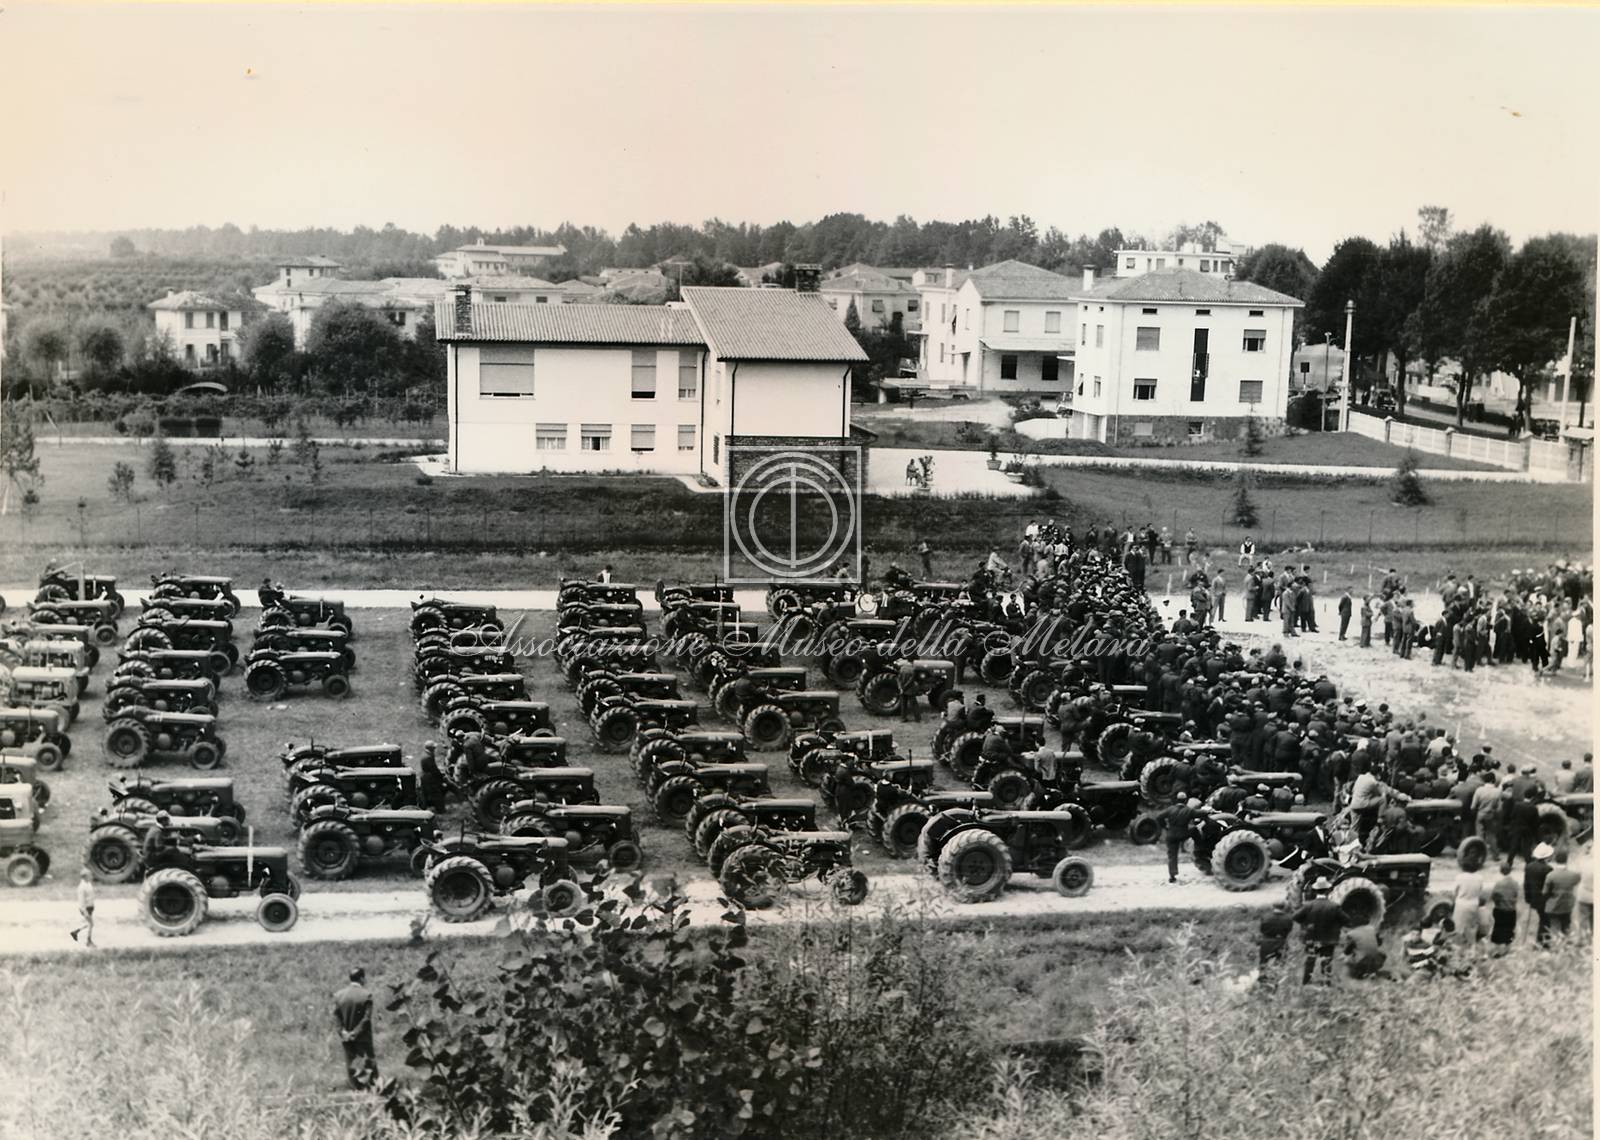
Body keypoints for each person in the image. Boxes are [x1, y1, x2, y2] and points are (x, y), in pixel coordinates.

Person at [1293, 883, 1348, 984]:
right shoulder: (1334, 906)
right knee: (1327, 960)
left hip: (1312, 938)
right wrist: (1336, 925)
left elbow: (1296, 917)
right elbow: (1346, 920)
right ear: (1328, 891)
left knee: (1310, 959)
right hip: (1329, 939)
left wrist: (1306, 923)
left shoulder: (1308, 905)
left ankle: (1306, 982)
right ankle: (1326, 983)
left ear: (1315, 891)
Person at [334, 968, 378, 1090]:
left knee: (351, 1064)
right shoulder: (366, 995)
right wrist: (355, 1032)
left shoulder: (339, 995)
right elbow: (366, 1018)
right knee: (368, 1063)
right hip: (363, 1037)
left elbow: (336, 1016)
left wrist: (342, 1032)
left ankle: (355, 1091)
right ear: (362, 978)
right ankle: (373, 1090)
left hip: (346, 1037)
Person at [1542, 849, 1581, 941]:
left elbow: (1544, 892)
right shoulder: (1573, 875)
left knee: (1555, 929)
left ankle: (1556, 945)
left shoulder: (1551, 875)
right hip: (1567, 905)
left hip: (1553, 905)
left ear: (1556, 860)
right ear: (1566, 860)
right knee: (1566, 927)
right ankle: (1565, 945)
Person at [1160, 795, 1199, 884]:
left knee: (1172, 855)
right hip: (1184, 834)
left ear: (1176, 800)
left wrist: (1165, 826)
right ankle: (1199, 846)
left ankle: (1172, 876)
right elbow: (1200, 813)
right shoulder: (1188, 810)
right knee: (1194, 829)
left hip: (1171, 835)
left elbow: (1159, 817)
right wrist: (1209, 811)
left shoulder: (1170, 809)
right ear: (1185, 801)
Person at [1524, 842, 1554, 944]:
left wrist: (1527, 898)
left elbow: (1526, 884)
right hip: (1544, 899)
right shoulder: (1548, 869)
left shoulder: (1529, 867)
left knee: (1543, 918)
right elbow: (1550, 887)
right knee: (1545, 920)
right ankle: (1543, 942)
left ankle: (1541, 940)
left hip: (1533, 898)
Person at [1488, 859, 1519, 955]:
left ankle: (1498, 950)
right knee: (1509, 929)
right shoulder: (1515, 883)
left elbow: (1494, 896)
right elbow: (1516, 895)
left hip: (1500, 909)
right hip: (1511, 909)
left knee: (1499, 928)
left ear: (1501, 871)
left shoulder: (1499, 883)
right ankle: (1507, 949)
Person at [1258, 902, 1294, 975]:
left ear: (1273, 906)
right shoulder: (1288, 918)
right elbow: (1289, 930)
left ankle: (1262, 978)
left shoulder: (1265, 917)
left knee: (1264, 963)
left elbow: (1262, 929)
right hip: (1281, 942)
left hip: (1267, 941)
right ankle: (1277, 979)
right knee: (1281, 963)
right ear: (1284, 907)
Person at [70, 868, 95, 948]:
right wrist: (84, 911)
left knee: (89, 923)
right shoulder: (82, 887)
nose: (91, 876)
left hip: (90, 907)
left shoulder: (88, 884)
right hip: (86, 908)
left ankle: (76, 932)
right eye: (90, 875)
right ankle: (88, 941)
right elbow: (81, 901)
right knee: (90, 924)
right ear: (85, 877)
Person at [418, 741, 447, 813]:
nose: (435, 749)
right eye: (433, 748)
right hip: (429, 778)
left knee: (424, 794)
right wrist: (441, 777)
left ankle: (423, 808)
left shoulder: (426, 755)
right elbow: (434, 770)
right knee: (436, 794)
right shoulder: (428, 757)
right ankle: (441, 810)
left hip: (425, 776)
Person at [894, 657, 923, 723]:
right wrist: (904, 687)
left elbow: (898, 679)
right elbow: (911, 680)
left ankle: (903, 718)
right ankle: (917, 719)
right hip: (910, 689)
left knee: (903, 705)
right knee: (914, 704)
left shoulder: (902, 668)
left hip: (902, 690)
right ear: (912, 662)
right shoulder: (912, 669)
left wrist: (900, 688)